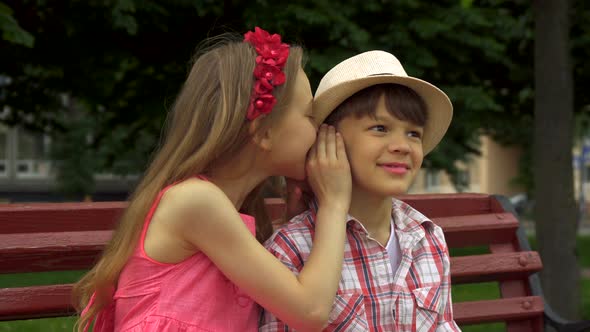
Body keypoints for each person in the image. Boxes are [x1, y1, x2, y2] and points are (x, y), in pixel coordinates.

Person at [72, 27, 352, 332]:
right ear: (264, 132)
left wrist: (300, 220)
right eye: (310, 116)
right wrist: (334, 205)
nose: (320, 129)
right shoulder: (195, 201)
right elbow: (310, 312)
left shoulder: (225, 208)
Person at [260, 50, 461, 331]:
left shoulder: (428, 238)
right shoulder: (292, 249)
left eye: (414, 133)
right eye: (380, 128)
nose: (402, 146)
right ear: (327, 141)